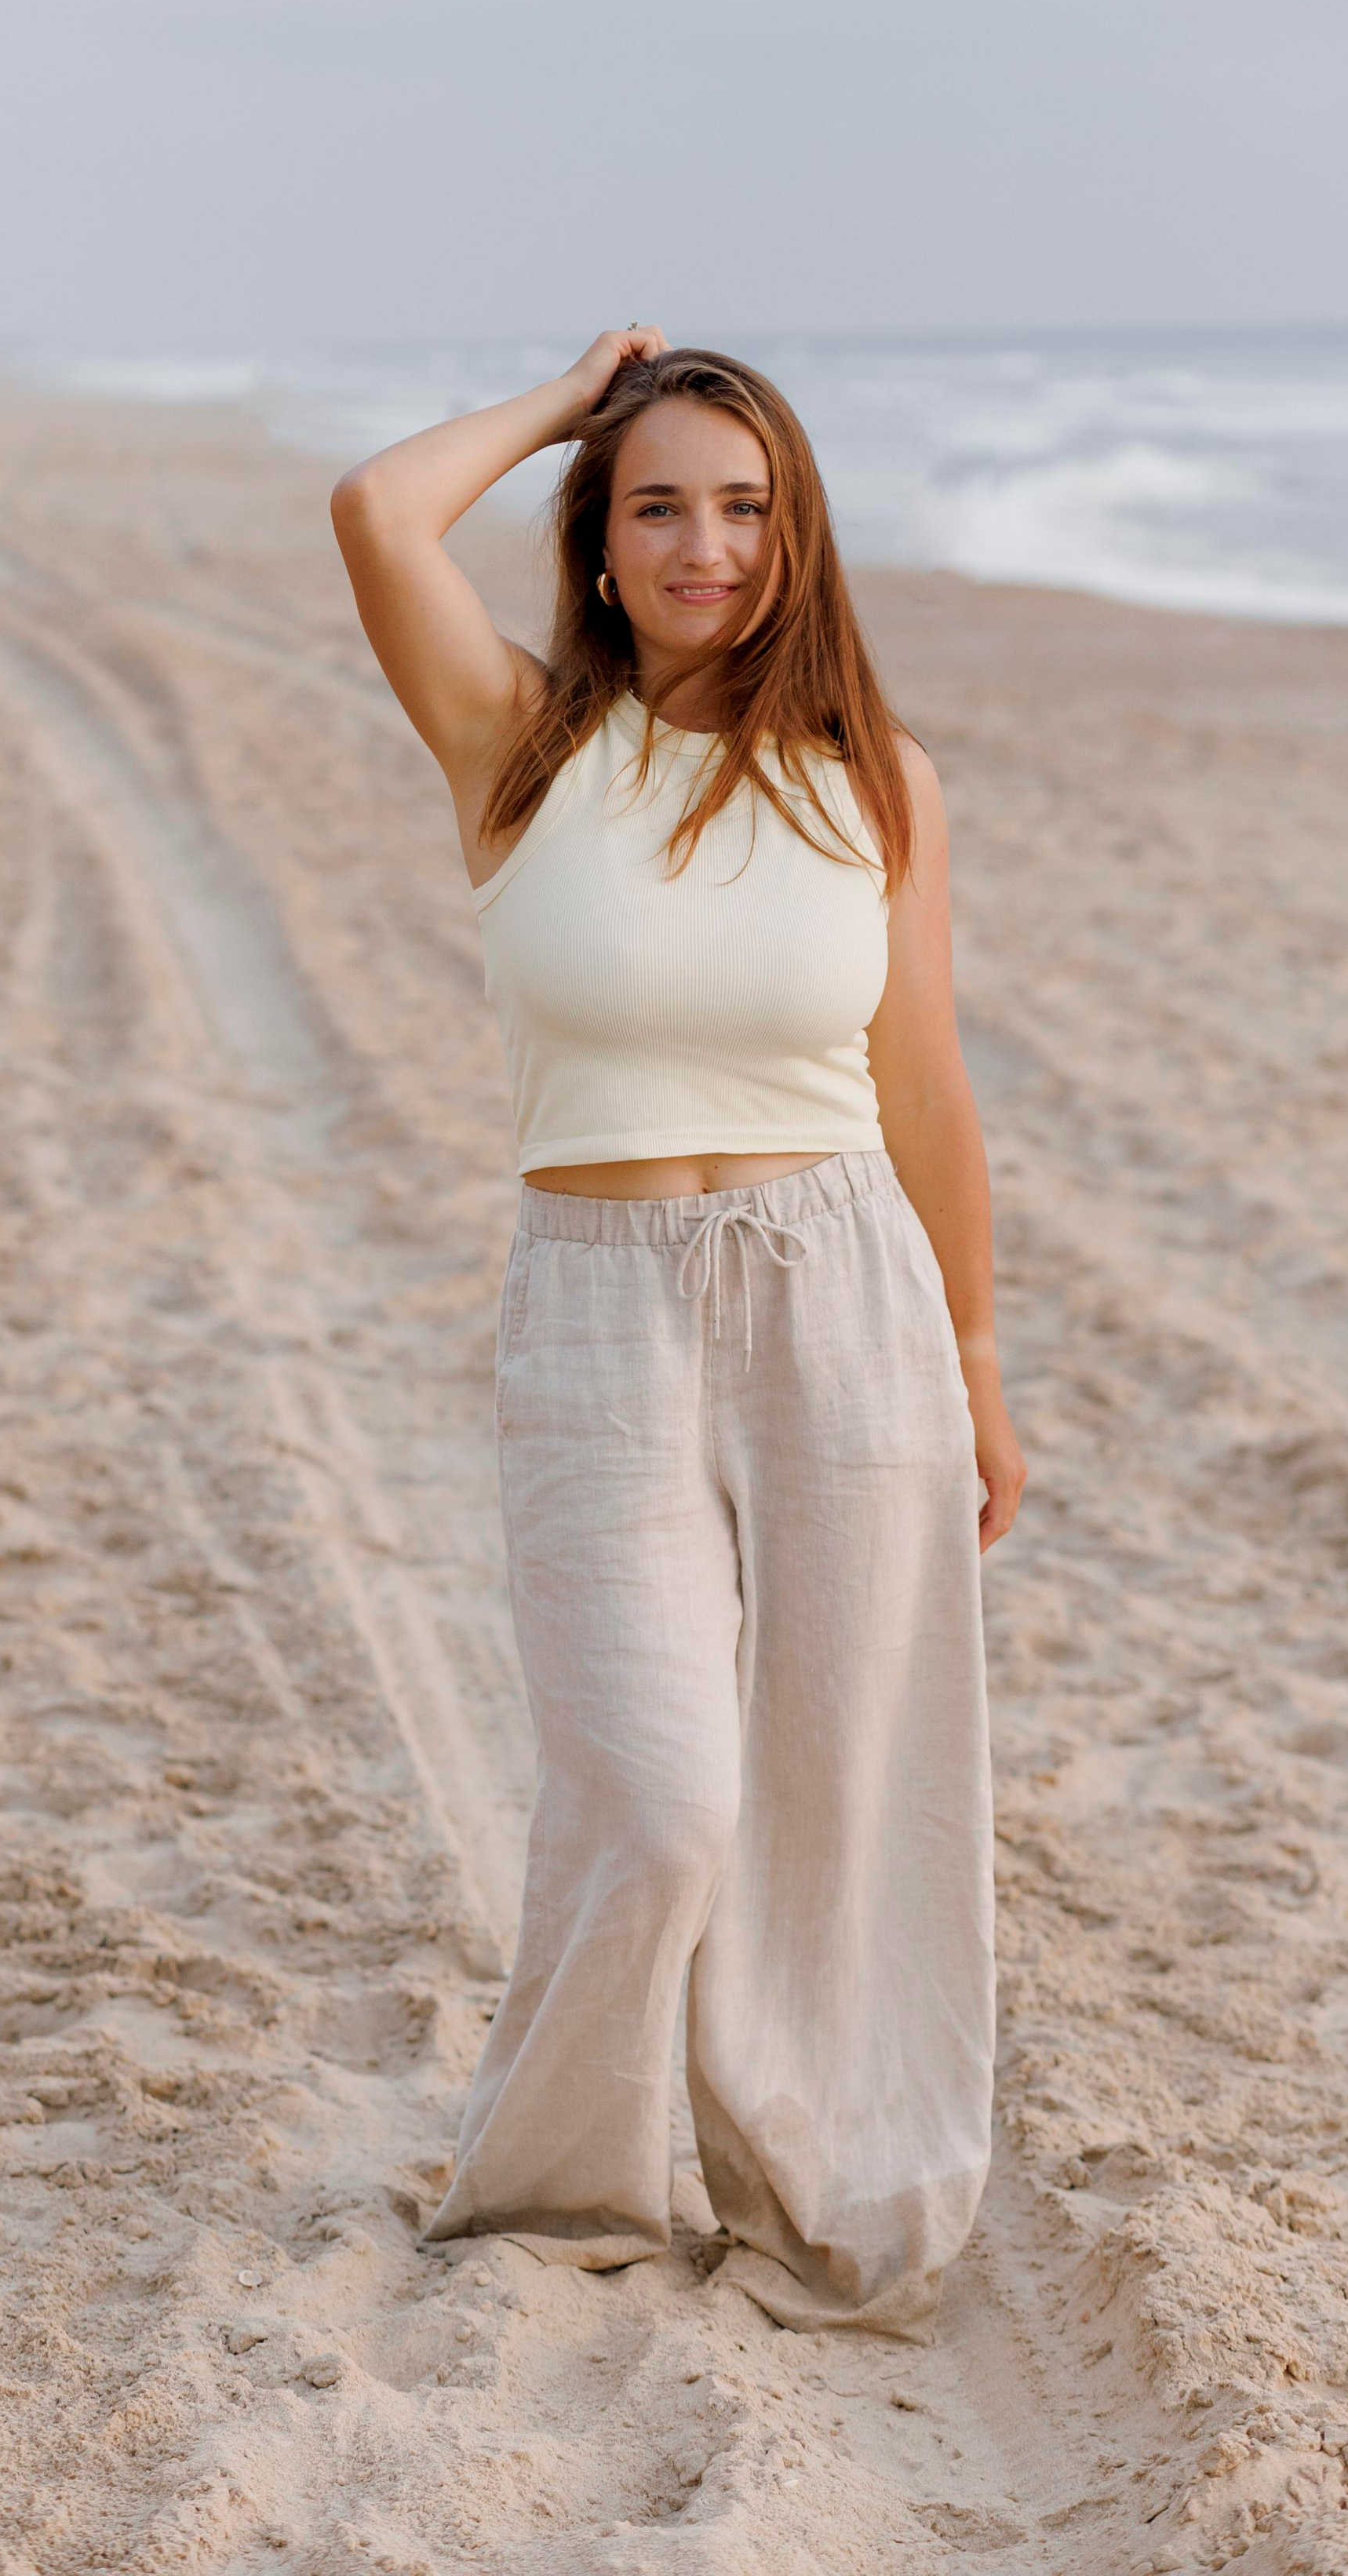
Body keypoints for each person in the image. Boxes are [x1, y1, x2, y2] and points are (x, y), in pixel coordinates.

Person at [330, 330, 1025, 2336]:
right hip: (597, 1303)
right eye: (659, 505)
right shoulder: (516, 747)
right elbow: (378, 510)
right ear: (599, 538)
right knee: (651, 1792)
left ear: (793, 536)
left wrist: (975, 1359)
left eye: (743, 505)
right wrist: (572, 397)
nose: (705, 544)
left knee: (841, 1776)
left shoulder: (873, 782)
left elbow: (927, 1088)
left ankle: (827, 2182)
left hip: (842, 1293)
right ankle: (558, 2190)